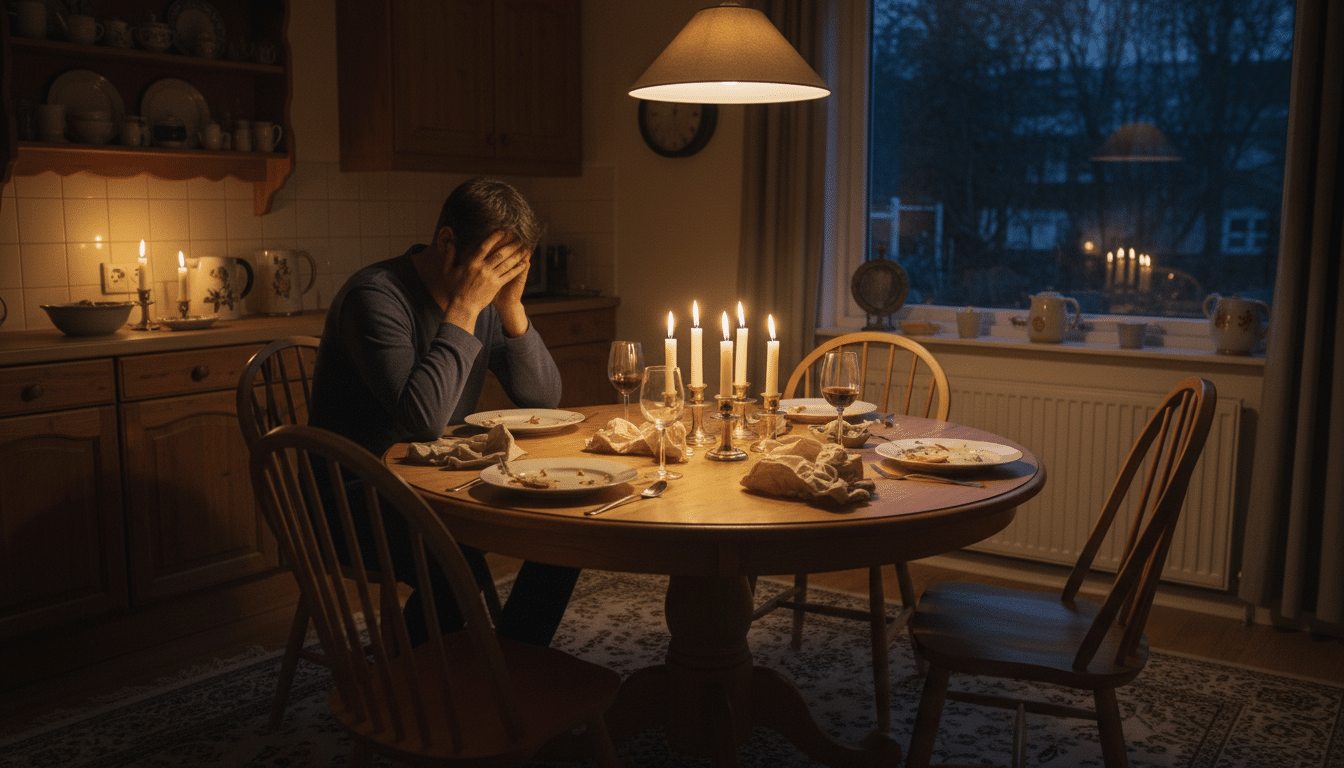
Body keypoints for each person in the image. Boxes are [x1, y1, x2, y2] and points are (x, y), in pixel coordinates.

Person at [308, 177, 579, 647]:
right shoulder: (375, 297)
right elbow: (425, 420)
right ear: (448, 242)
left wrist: (511, 307)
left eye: (511, 267)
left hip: (437, 484)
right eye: (493, 265)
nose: (498, 279)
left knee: (564, 533)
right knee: (456, 568)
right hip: (354, 497)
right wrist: (465, 308)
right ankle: (404, 667)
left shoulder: (489, 302)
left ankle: (513, 663)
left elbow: (544, 400)